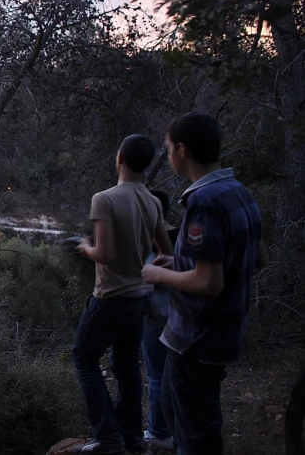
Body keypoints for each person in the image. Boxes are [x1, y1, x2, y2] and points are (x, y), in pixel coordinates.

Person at [142, 112, 262, 455]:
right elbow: (254, 258)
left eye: (168, 149)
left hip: (197, 338)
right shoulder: (239, 193)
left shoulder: (204, 202)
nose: (167, 156)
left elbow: (209, 282)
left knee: (195, 435)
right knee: (177, 409)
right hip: (222, 331)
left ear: (183, 150)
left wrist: (158, 274)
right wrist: (179, 261)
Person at [74, 134, 173, 454]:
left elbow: (103, 252)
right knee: (127, 365)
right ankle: (132, 438)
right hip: (140, 298)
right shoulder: (153, 200)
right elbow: (167, 251)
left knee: (85, 357)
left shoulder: (105, 198)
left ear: (119, 158)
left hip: (111, 296)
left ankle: (109, 437)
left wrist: (85, 248)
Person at [141, 189, 180, 450]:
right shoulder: (180, 236)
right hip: (169, 317)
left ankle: (159, 431)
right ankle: (171, 429)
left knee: (159, 378)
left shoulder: (162, 240)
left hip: (163, 319)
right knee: (169, 378)